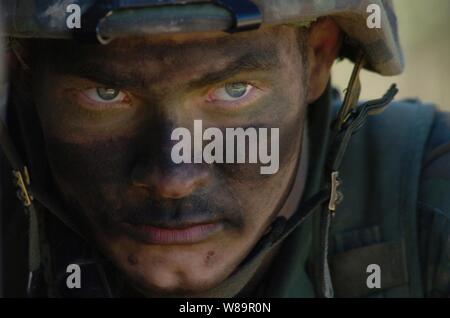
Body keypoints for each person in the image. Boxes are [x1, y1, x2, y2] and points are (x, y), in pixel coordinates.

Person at [0, 0, 449, 298]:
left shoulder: (430, 211)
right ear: (23, 69)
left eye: (235, 90)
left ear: (316, 57)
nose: (172, 178)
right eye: (106, 96)